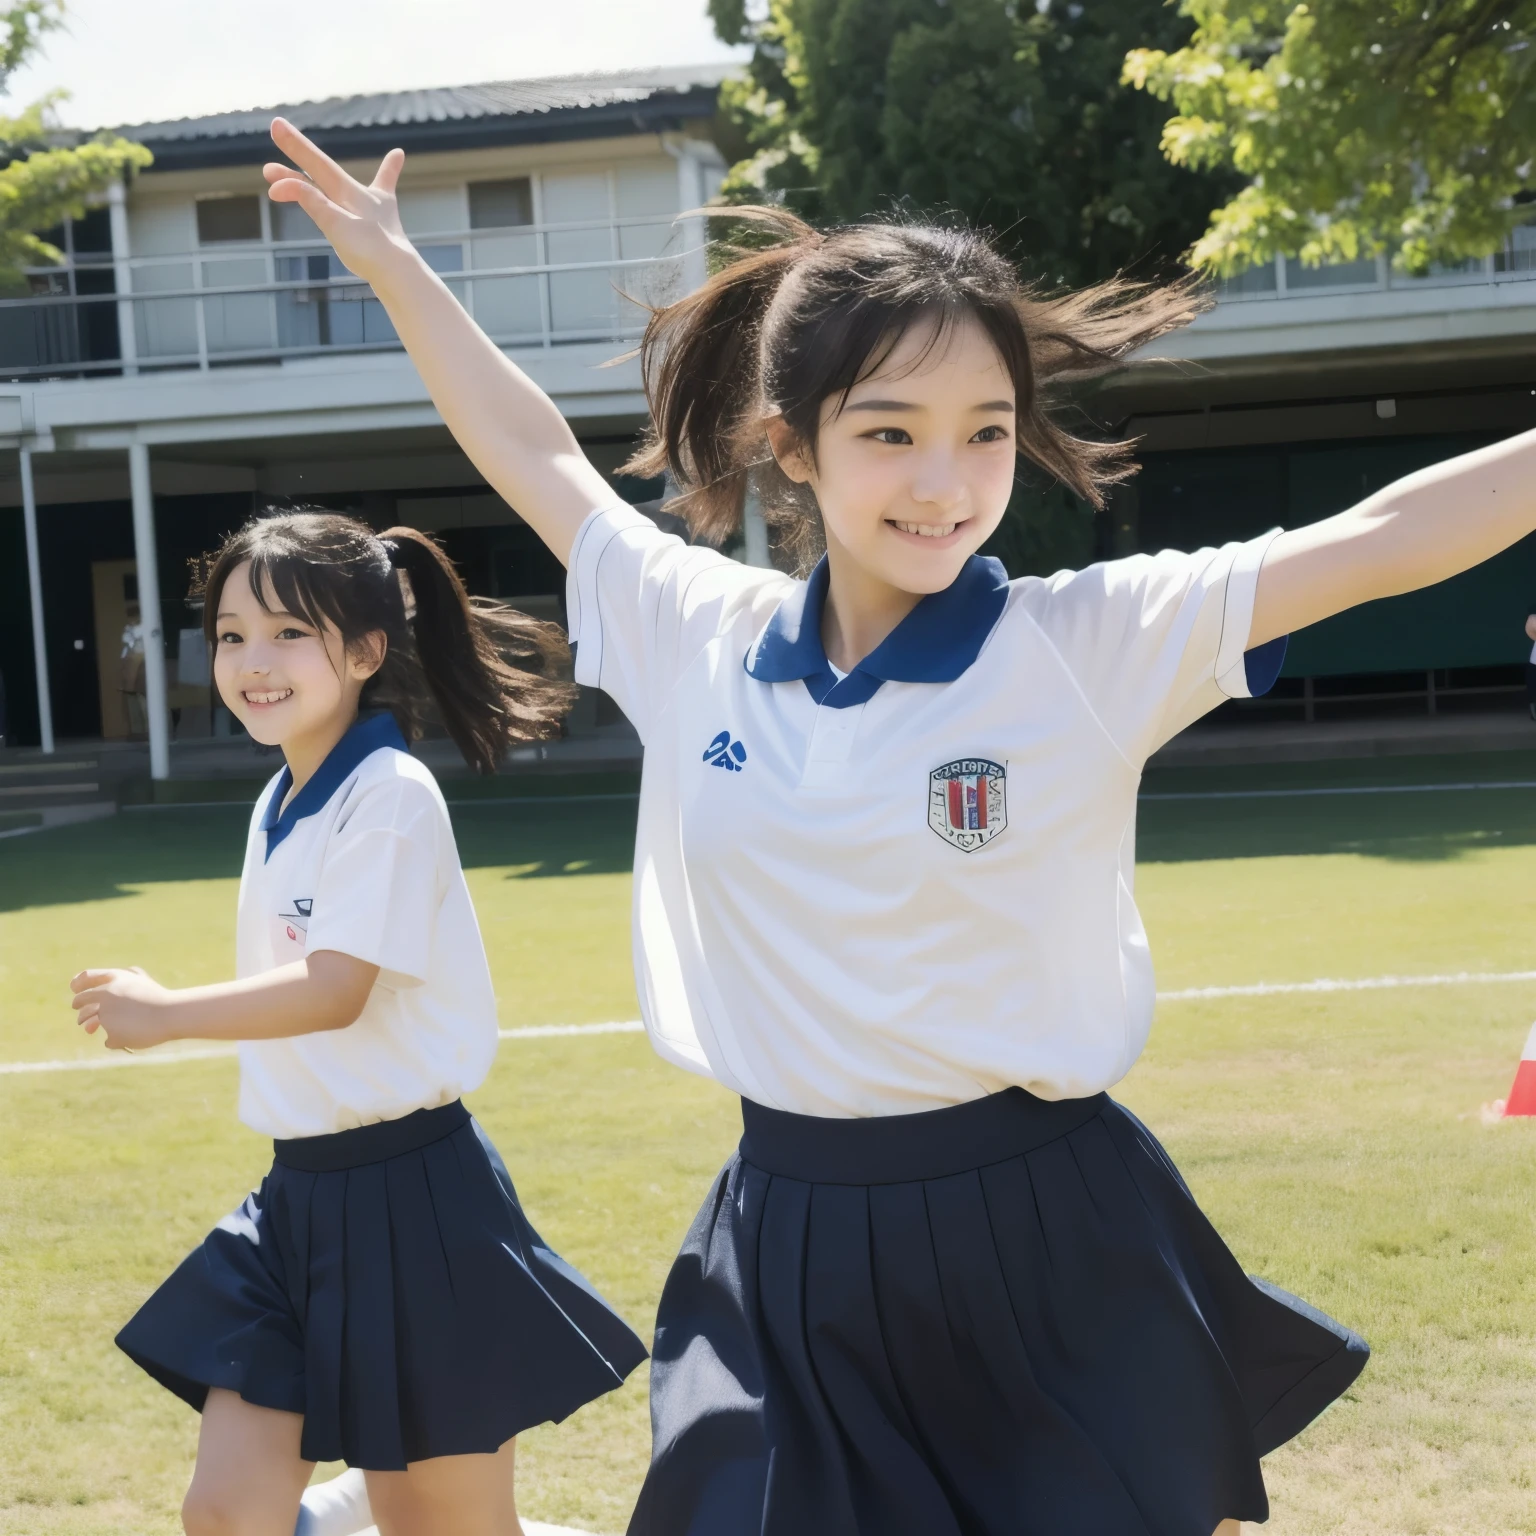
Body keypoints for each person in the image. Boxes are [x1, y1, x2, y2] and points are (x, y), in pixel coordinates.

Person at [259, 116, 1536, 1535]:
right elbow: (533, 452)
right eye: (890, 434)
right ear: (791, 448)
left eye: (986, 432)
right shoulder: (701, 630)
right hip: (788, 1232)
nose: (946, 482)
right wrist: (394, 273)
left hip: (1046, 1227)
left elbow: (1377, 541)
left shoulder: (1085, 642)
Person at [70, 511, 647, 1536]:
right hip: (297, 1203)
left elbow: (337, 990)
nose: (254, 661)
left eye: (291, 632)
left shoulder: (388, 793)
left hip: (418, 1205)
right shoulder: (278, 797)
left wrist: (165, 1014)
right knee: (227, 1512)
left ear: (367, 651)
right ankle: (335, 1516)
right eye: (234, 633)